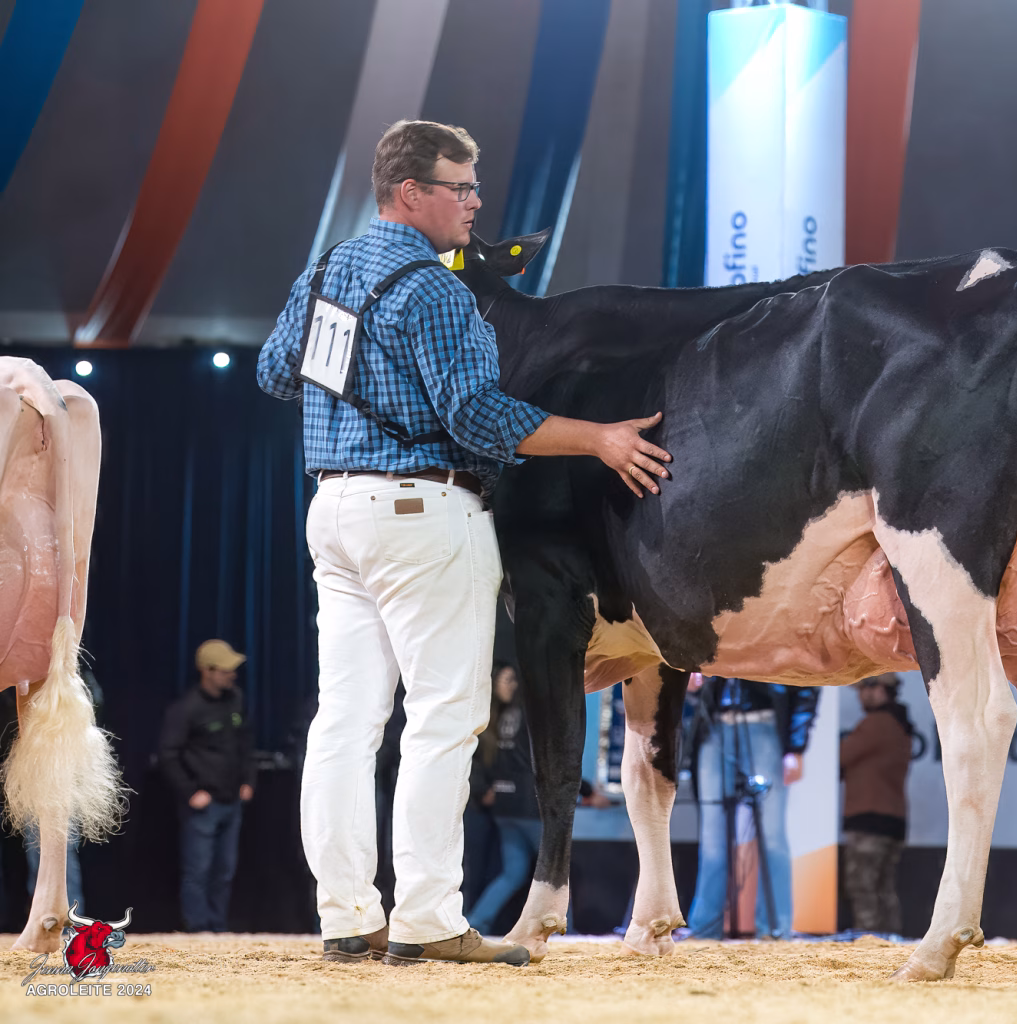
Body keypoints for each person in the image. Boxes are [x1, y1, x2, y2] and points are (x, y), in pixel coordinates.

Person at [256, 119, 673, 966]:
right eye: (462, 187)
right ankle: (427, 919)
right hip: (422, 510)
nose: (476, 203)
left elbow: (273, 373)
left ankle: (347, 915)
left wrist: (363, 383)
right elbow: (478, 416)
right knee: (443, 716)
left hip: (334, 509)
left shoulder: (327, 271)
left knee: (345, 720)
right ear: (411, 193)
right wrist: (597, 438)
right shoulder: (434, 289)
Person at [686, 677, 819, 939]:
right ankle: (704, 927)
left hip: (764, 724)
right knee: (712, 837)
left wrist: (796, 746)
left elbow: (806, 683)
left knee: (772, 835)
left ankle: (774, 928)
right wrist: (690, 683)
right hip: (713, 727)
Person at [158, 639, 255, 933]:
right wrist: (190, 792)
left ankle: (218, 926)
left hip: (232, 800)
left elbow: (246, 743)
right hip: (204, 804)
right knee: (198, 870)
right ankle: (198, 929)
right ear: (207, 671)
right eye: (225, 670)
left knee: (224, 870)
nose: (231, 675)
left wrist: (249, 780)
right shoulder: (187, 708)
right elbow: (168, 755)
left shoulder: (235, 700)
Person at [465, 663, 540, 934]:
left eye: (514, 680)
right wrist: (586, 791)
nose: (512, 685)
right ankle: (563, 929)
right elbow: (543, 761)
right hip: (529, 805)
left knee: (513, 873)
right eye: (507, 679)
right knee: (556, 871)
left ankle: (476, 922)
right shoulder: (529, 714)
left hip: (503, 807)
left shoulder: (492, 716)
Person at [839, 673, 912, 935]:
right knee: (883, 889)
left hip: (869, 818)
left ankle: (870, 942)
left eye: (868, 686)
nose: (862, 694)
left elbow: (840, 757)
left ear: (884, 689)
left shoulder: (877, 723)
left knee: (863, 887)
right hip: (892, 819)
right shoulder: (899, 724)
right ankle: (890, 942)